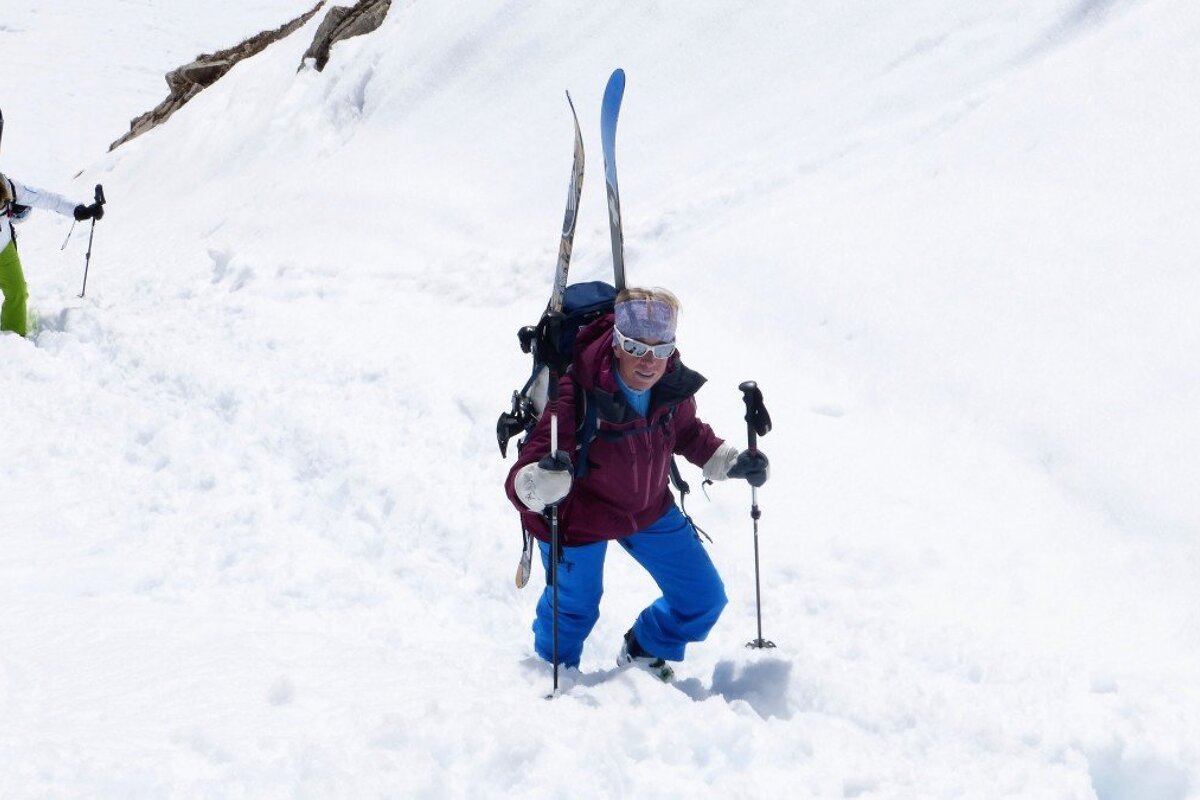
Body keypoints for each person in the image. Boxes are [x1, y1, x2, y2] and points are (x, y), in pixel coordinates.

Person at [505, 287, 770, 681]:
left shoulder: (669, 383)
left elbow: (688, 433)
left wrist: (732, 462)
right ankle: (551, 673)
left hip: (647, 507)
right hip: (580, 517)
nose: (650, 362)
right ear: (616, 344)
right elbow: (518, 482)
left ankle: (645, 648)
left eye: (661, 350)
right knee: (575, 609)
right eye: (637, 347)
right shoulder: (574, 389)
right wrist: (539, 485)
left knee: (702, 598)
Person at [0, 172, 104, 336]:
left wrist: (78, 210)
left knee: (17, 293)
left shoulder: (8, 187)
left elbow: (46, 198)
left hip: (3, 249)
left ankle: (12, 341)